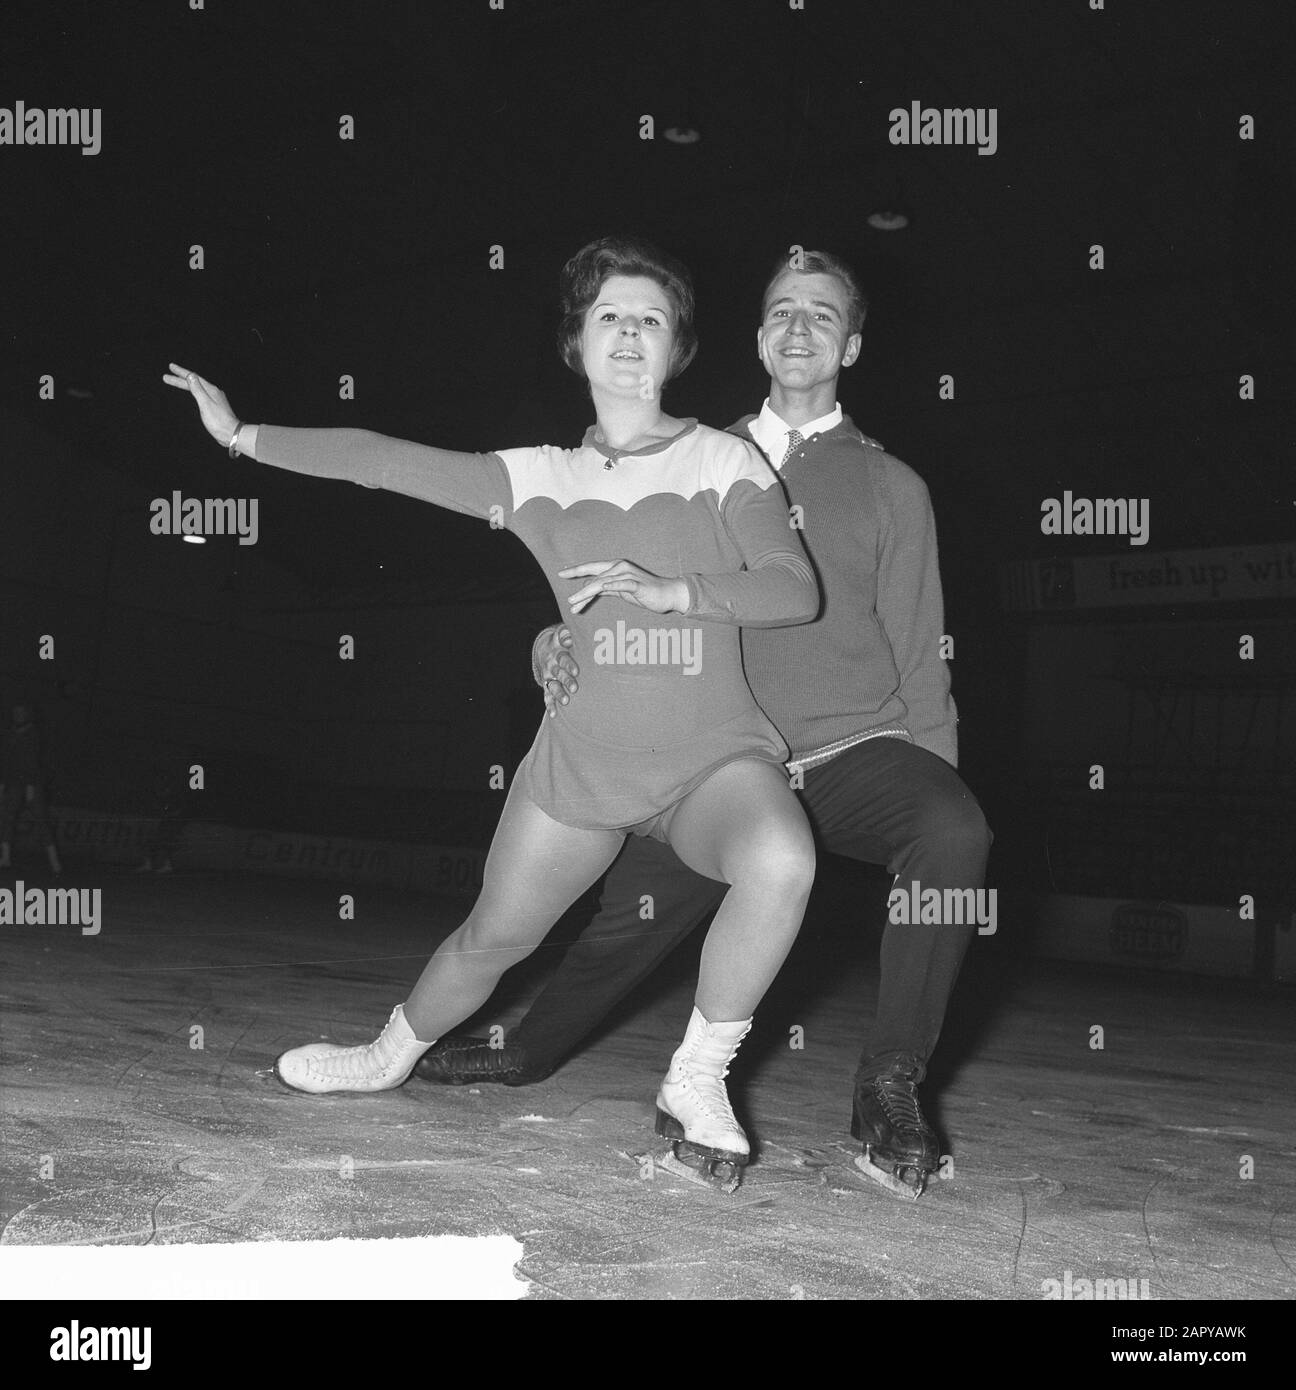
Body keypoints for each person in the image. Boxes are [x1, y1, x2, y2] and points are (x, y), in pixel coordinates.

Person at [164, 237, 819, 1190]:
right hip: (583, 767)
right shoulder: (539, 475)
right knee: (493, 938)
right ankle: (386, 1056)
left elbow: (793, 590)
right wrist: (241, 438)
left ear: (676, 346)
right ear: (577, 344)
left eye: (650, 319)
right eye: (609, 317)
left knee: (782, 859)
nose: (629, 333)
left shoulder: (727, 456)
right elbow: (381, 461)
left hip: (712, 760)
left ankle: (697, 1076)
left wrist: (673, 591)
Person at [416, 250, 992, 1200]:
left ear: (851, 343)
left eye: (822, 313)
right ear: (758, 336)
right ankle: (525, 1048)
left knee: (953, 830)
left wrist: (935, 788)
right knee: (622, 927)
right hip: (713, 757)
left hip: (851, 750)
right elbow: (600, 590)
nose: (799, 326)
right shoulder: (694, 456)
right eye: (780, 310)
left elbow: (922, 647)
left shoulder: (894, 488)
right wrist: (544, 646)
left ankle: (890, 1084)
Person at [0, 702, 63, 875]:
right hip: (14, 783)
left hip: (32, 783)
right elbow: (6, 761)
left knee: (41, 819)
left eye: (21, 712)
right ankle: (5, 857)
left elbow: (33, 761)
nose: (17, 715)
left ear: (27, 714)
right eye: (15, 712)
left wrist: (30, 786)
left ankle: (55, 863)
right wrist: (2, 783)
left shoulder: (34, 733)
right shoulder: (10, 734)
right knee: (7, 817)